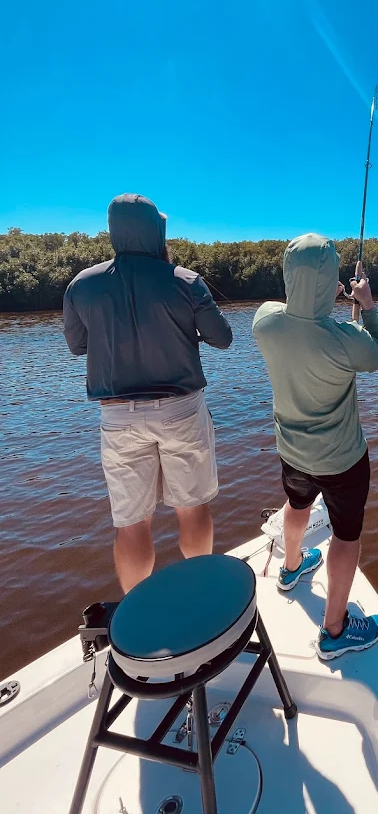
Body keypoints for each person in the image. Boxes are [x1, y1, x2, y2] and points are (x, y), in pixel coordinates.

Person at [63, 193, 232, 593]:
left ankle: (137, 612)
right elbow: (222, 339)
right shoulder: (186, 281)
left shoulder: (81, 286)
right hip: (181, 411)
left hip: (118, 417)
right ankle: (204, 595)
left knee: (132, 522)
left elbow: (77, 346)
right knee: (191, 509)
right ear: (157, 230)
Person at [252, 232, 378, 658]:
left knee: (297, 507)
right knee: (346, 537)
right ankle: (334, 630)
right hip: (343, 461)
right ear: (332, 282)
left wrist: (324, 301)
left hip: (292, 451)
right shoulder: (347, 339)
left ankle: (291, 569)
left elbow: (299, 312)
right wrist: (365, 307)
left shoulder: (265, 321)